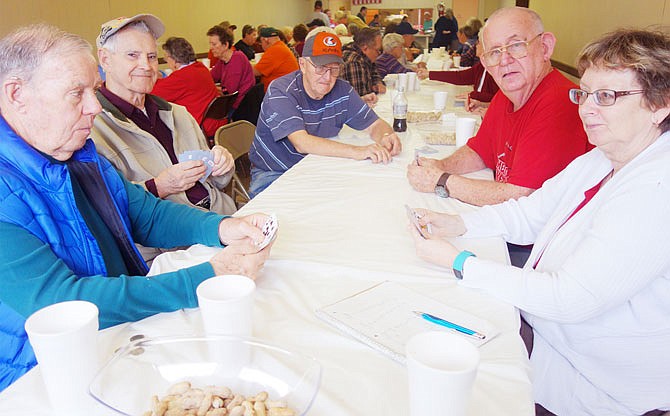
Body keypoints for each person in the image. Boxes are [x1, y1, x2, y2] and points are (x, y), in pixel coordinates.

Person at [408, 28, 670, 416]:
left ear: (660, 104)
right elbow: (530, 214)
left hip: (597, 382)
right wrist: (458, 225)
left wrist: (459, 262)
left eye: (607, 96)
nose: (586, 109)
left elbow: (569, 298)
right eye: (584, 93)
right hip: (551, 337)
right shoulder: (601, 157)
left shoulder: (657, 189)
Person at [0, 23, 273, 391]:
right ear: (16, 94)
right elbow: (62, 305)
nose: (94, 107)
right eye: (76, 93)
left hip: (115, 331)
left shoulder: (79, 153)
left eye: (93, 91)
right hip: (39, 374)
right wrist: (205, 277)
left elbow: (144, 213)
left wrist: (222, 228)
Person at [407, 7, 591, 266]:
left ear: (546, 47)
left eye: (516, 45)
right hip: (508, 230)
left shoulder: (560, 101)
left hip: (541, 251)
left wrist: (442, 180)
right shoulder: (506, 96)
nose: (504, 60)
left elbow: (521, 197)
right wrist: (440, 165)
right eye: (494, 52)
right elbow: (479, 150)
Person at [92, 15, 238, 255]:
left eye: (151, 57)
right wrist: (159, 186)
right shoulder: (94, 130)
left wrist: (223, 166)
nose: (147, 66)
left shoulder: (177, 114)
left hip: (223, 221)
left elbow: (216, 183)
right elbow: (106, 211)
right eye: (133, 55)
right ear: (105, 60)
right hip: (171, 249)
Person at [248, 30, 401, 197]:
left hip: (316, 164)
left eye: (334, 69)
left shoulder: (342, 90)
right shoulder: (281, 90)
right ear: (303, 64)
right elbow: (302, 143)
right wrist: (358, 151)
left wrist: (385, 135)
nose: (327, 77)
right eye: (320, 68)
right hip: (275, 172)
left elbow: (375, 125)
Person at [151, 37, 224, 138]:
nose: (166, 61)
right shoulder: (201, 68)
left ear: (174, 59)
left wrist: (153, 76)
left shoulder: (181, 77)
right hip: (216, 121)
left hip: (199, 126)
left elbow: (152, 94)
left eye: (166, 58)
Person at [207, 25, 256, 113]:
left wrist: (211, 87)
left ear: (225, 45)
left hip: (240, 106)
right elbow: (210, 77)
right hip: (233, 103)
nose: (211, 48)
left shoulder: (237, 59)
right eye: (210, 44)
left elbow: (228, 92)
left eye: (214, 44)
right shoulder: (223, 60)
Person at [341, 27, 385, 101]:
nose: (379, 54)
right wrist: (374, 89)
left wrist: (377, 83)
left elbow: (374, 72)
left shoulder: (364, 57)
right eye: (378, 50)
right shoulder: (354, 62)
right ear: (365, 48)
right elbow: (361, 98)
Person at [252, 27, 299, 92]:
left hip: (279, 92)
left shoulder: (274, 50)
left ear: (266, 40)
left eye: (261, 42)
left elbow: (256, 72)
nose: (261, 46)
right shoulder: (280, 47)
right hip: (286, 88)